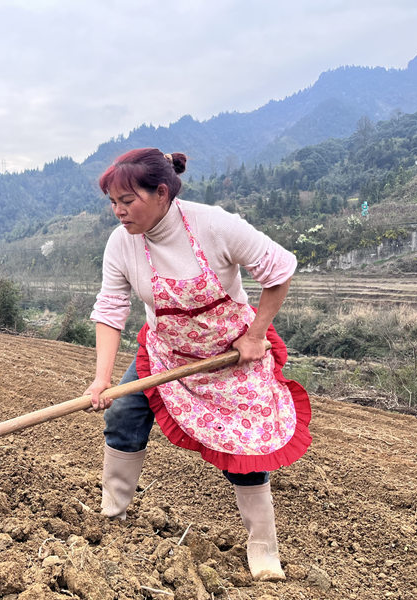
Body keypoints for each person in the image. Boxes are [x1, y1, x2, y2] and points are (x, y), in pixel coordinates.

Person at [85, 148, 311, 581]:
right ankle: (113, 517)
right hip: (169, 353)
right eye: (112, 203)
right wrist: (100, 381)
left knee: (246, 444)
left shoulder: (214, 224)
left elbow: (279, 269)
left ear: (161, 193)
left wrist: (257, 334)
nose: (118, 212)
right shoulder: (121, 244)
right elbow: (111, 308)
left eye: (127, 202)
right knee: (124, 414)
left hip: (231, 357)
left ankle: (263, 547)